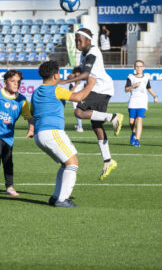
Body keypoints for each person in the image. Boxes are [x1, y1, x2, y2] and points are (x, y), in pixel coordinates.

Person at [59, 27, 124, 180]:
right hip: (100, 88)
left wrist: (66, 81)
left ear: (88, 41)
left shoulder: (93, 53)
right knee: (96, 125)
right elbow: (82, 72)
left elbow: (86, 74)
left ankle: (113, 117)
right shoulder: (84, 54)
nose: (77, 43)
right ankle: (108, 160)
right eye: (76, 40)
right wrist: (73, 78)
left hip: (100, 89)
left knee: (79, 112)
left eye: (79, 41)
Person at [31, 60, 95, 207]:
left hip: (39, 134)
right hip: (52, 132)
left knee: (65, 164)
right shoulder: (56, 89)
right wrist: (91, 83)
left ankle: (56, 197)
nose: (60, 76)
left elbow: (33, 112)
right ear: (55, 76)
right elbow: (78, 98)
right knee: (73, 163)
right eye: (59, 73)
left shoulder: (36, 92)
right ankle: (62, 200)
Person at [125, 60, 158, 147]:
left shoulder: (146, 77)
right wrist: (133, 86)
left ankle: (137, 140)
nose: (139, 68)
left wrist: (155, 96)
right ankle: (133, 133)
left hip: (142, 101)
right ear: (134, 68)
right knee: (131, 122)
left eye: (140, 66)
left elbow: (149, 88)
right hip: (133, 101)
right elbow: (126, 89)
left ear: (144, 68)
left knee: (139, 119)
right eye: (137, 66)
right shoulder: (131, 77)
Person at [68, 67, 85, 132]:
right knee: (76, 112)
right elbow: (70, 92)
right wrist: (76, 84)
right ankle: (79, 125)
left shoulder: (83, 83)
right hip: (74, 99)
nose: (77, 77)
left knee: (79, 112)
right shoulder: (72, 84)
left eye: (79, 75)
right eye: (76, 75)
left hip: (82, 99)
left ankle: (80, 127)